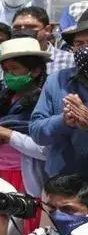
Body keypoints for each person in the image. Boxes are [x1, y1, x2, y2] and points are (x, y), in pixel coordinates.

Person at [0, 37, 50, 201]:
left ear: (35, 70)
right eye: (5, 69)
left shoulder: (46, 101)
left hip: (26, 180)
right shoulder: (2, 99)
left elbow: (47, 150)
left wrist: (9, 135)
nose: (8, 75)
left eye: (14, 68)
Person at [30, 10, 88, 177]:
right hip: (65, 184)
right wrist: (63, 121)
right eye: (79, 44)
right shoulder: (57, 80)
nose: (85, 49)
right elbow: (36, 131)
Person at [0, 7, 74, 112]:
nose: (23, 31)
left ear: (48, 30)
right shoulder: (3, 62)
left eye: (31, 27)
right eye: (17, 27)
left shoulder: (69, 61)